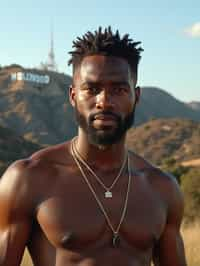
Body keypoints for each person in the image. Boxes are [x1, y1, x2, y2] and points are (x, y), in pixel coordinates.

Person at [0, 26, 187, 266]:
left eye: (119, 89)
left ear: (136, 97)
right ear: (73, 95)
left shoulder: (162, 188)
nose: (104, 102)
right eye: (92, 89)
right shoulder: (28, 178)